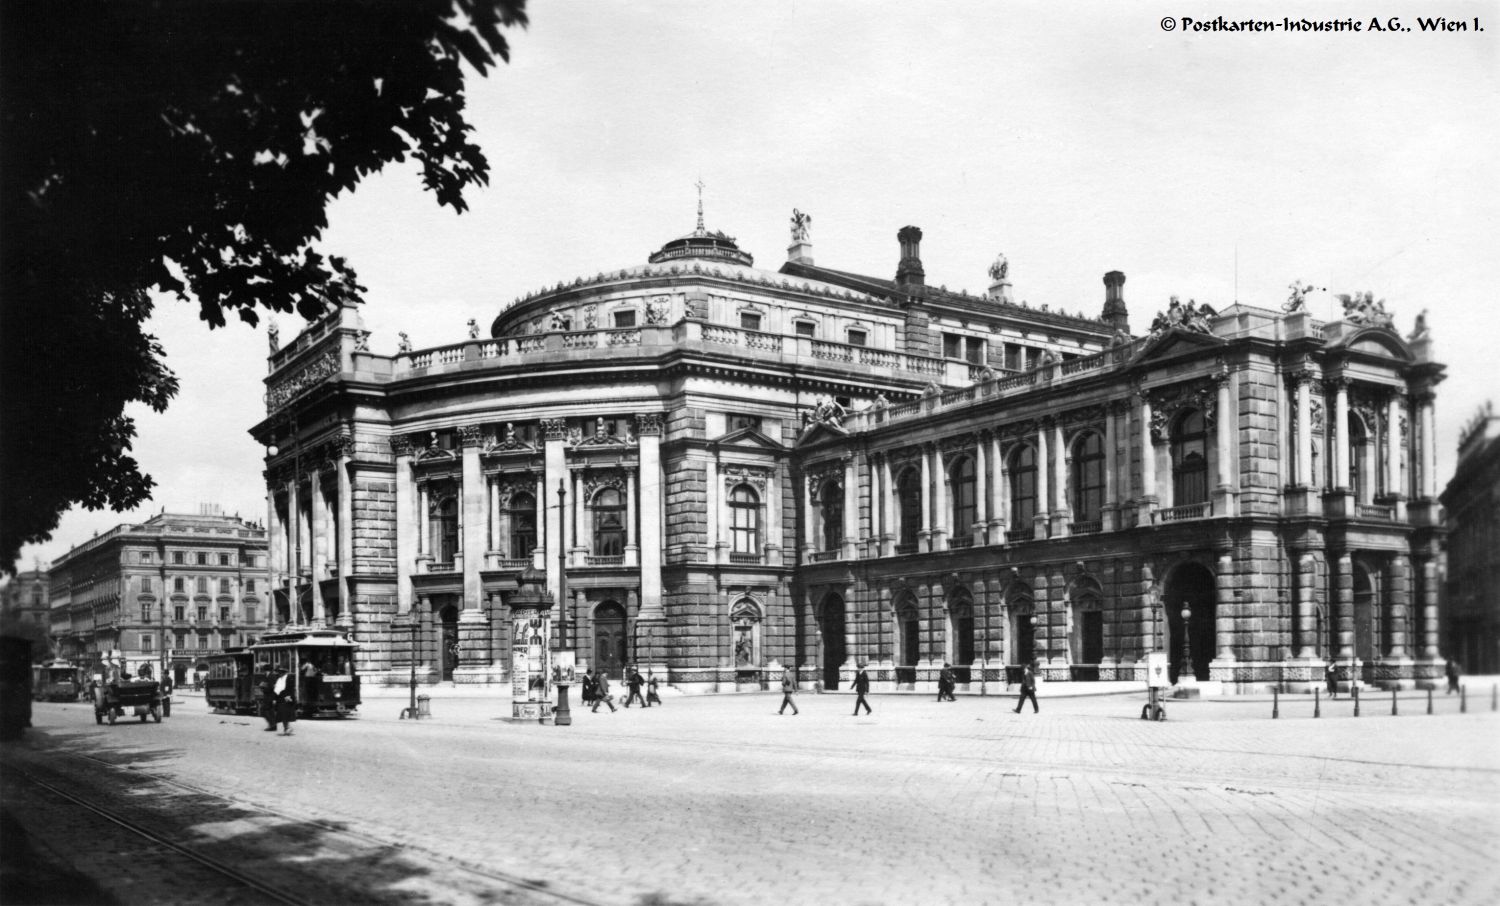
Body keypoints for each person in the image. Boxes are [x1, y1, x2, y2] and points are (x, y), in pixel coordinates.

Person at [273, 668, 296, 735]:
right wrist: (275, 698)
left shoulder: (289, 678)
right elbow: (277, 689)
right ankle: (286, 728)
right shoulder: (279, 680)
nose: (279, 674)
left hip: (287, 698)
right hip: (281, 698)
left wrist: (289, 696)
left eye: (280, 672)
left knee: (285, 713)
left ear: (283, 673)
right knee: (282, 714)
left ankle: (287, 727)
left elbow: (291, 688)